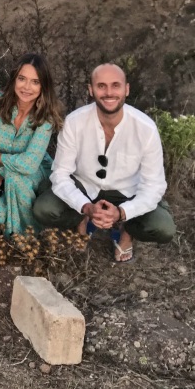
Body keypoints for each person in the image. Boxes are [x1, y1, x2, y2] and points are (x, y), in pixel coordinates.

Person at [33, 63, 175, 263]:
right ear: (91, 90)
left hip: (127, 194)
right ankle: (82, 219)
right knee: (44, 209)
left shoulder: (146, 129)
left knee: (163, 228)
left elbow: (154, 185)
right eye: (101, 86)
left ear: (126, 89)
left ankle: (127, 232)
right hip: (85, 188)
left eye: (115, 85)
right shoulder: (74, 122)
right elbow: (60, 174)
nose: (109, 92)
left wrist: (122, 212)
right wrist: (85, 207)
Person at [0, 53, 62, 236]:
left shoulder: (44, 117)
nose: (27, 87)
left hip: (33, 173)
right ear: (14, 79)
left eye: (35, 82)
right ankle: (20, 230)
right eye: (22, 79)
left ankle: (25, 239)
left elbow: (28, 164)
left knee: (15, 178)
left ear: (43, 86)